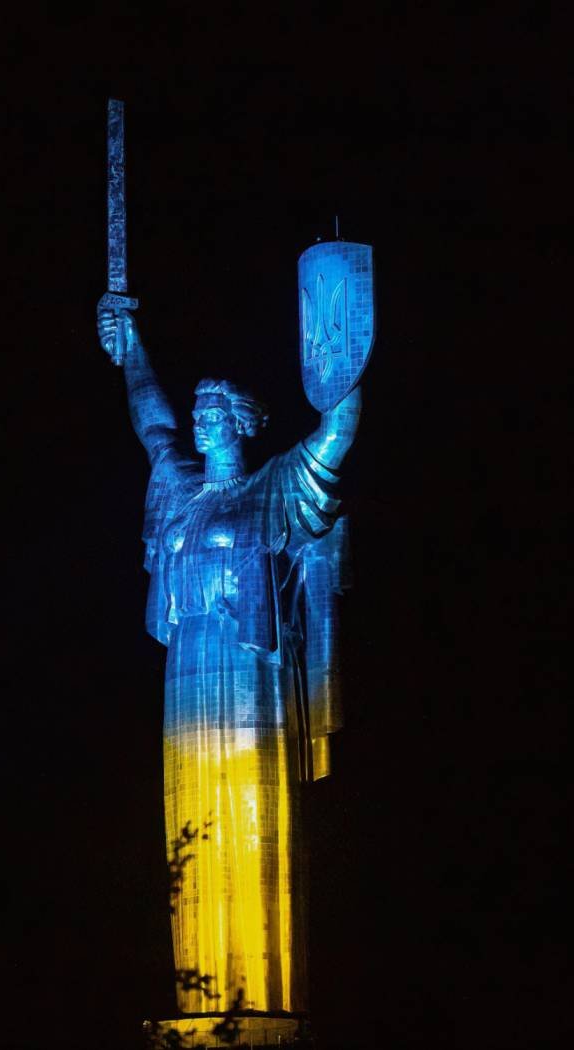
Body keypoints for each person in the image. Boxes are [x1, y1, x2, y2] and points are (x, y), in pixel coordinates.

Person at [99, 304, 360, 1018]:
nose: (204, 418)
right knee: (190, 838)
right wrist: (132, 344)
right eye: (200, 409)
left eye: (218, 409)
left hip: (254, 678)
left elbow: (336, 437)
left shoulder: (272, 488)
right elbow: (150, 423)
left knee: (252, 823)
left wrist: (342, 359)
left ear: (245, 422)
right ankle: (199, 1005)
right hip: (187, 684)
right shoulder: (179, 499)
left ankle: (270, 1008)